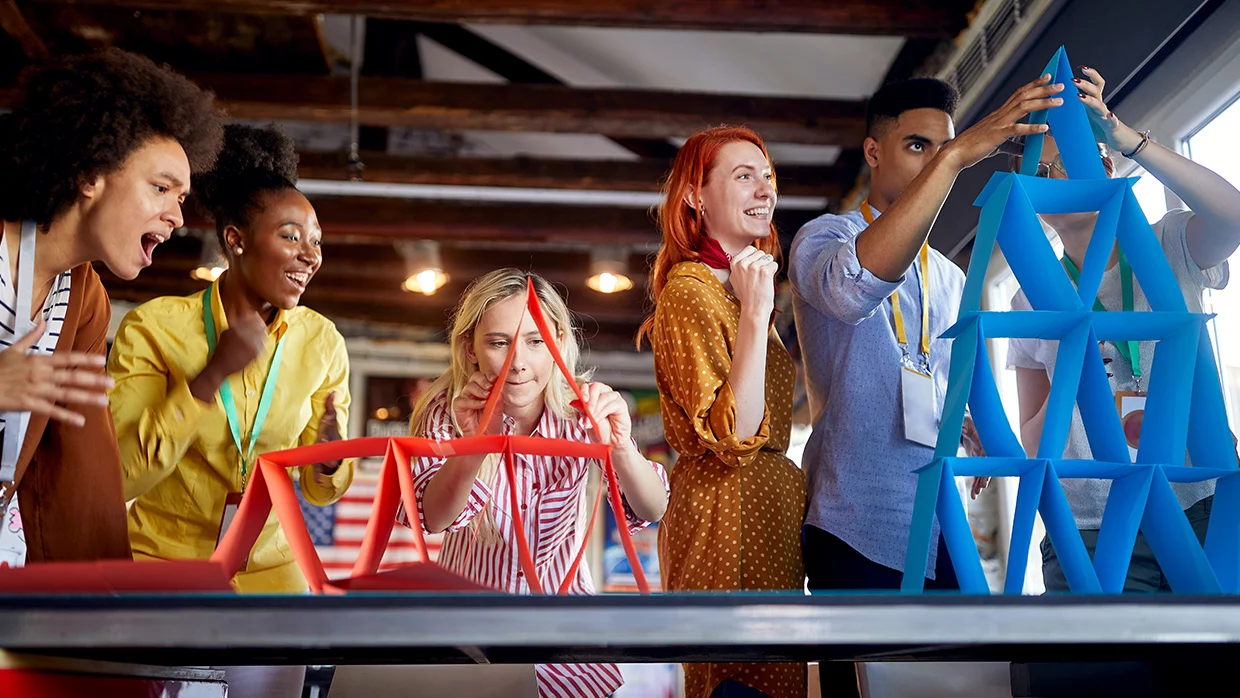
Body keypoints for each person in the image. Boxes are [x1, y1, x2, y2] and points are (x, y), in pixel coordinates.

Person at [788, 75, 1064, 696]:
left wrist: (964, 424)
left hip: (943, 522)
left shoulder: (947, 273)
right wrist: (959, 155)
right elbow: (852, 287)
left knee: (967, 684)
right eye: (919, 146)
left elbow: (939, 377)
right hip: (854, 520)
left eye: (941, 148)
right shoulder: (824, 238)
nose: (934, 161)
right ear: (872, 151)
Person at [1009, 66, 1240, 592]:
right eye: (1040, 176)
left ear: (1106, 166)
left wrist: (1128, 137)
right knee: (1106, 674)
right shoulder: (1028, 298)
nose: (1054, 183)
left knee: (1215, 668)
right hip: (1089, 526)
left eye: (1066, 163)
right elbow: (1030, 439)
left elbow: (1232, 215)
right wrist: (1073, 366)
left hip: (1198, 504)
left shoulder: (1169, 244)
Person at [0, 48, 223, 567]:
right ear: (90, 174)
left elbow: (81, 468)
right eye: (161, 187)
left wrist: (108, 597)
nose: (175, 216)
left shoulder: (84, 300)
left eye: (182, 198)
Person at [109, 124, 354, 593]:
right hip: (163, 568)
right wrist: (212, 375)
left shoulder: (321, 341)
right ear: (236, 240)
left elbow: (321, 492)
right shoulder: (154, 327)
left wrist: (328, 459)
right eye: (291, 237)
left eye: (316, 241)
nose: (310, 256)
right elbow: (122, 475)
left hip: (273, 574)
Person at [401, 268, 668, 698]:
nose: (518, 362)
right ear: (470, 348)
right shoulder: (447, 410)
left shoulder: (584, 410)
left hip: (564, 638)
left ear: (558, 340)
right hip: (467, 634)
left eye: (535, 340)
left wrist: (621, 447)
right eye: (499, 342)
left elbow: (653, 508)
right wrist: (477, 443)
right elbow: (431, 517)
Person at [638, 125, 806, 698]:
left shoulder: (736, 285)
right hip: (723, 516)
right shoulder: (691, 291)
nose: (765, 190)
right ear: (695, 196)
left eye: (768, 176)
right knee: (736, 682)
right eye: (744, 176)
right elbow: (733, 434)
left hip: (764, 513)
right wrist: (759, 314)